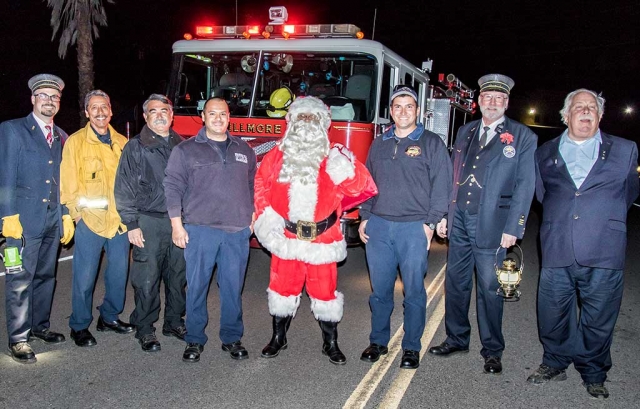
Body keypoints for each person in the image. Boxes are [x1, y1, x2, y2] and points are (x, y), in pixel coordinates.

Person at [527, 89, 638, 399]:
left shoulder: (625, 149)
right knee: (553, 312)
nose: (586, 111)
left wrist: (600, 218)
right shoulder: (544, 152)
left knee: (599, 316)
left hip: (604, 247)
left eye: (592, 107)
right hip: (557, 244)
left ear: (600, 116)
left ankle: (593, 371)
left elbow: (630, 192)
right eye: (579, 107)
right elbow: (542, 194)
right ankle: (554, 362)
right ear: (566, 116)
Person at [428, 74, 537, 375]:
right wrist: (445, 216)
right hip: (459, 217)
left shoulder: (522, 136)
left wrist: (514, 228)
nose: (493, 102)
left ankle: (492, 350)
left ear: (507, 103)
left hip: (493, 222)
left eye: (499, 99)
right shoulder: (465, 131)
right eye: (488, 97)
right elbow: (454, 175)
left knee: (490, 288)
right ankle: (456, 338)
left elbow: (526, 185)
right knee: (456, 282)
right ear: (478, 102)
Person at [254, 96, 372, 365]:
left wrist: (346, 169)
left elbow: (360, 187)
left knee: (325, 292)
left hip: (323, 239)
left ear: (323, 124)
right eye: (302, 117)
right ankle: (278, 338)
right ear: (292, 121)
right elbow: (259, 184)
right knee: (282, 289)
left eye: (313, 118)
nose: (306, 123)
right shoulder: (278, 155)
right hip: (287, 237)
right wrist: (266, 216)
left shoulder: (335, 154)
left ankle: (330, 342)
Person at [358, 86, 452, 370]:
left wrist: (430, 224)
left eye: (408, 106)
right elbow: (367, 182)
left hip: (413, 228)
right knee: (380, 291)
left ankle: (411, 346)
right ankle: (378, 341)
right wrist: (365, 215)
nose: (402, 111)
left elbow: (442, 185)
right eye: (397, 106)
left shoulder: (432, 143)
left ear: (418, 111)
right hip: (380, 226)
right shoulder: (380, 143)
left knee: (413, 292)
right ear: (390, 111)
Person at [164, 97, 256, 363]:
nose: (218, 118)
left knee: (232, 288)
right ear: (202, 117)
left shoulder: (244, 149)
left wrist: (251, 217)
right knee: (196, 287)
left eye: (223, 114)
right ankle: (194, 339)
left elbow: (251, 184)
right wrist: (176, 225)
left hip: (236, 231)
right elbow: (172, 188)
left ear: (229, 117)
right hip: (199, 229)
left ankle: (231, 337)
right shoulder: (185, 150)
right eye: (212, 114)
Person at [0, 74, 74, 363]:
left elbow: (63, 182)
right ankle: (18, 338)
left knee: (46, 276)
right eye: (43, 96)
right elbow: (5, 177)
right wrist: (7, 217)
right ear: (33, 99)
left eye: (54, 97)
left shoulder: (62, 136)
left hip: (52, 220)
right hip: (22, 221)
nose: (49, 101)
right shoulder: (13, 129)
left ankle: (40, 326)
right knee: (19, 279)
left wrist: (65, 215)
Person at [60, 90, 134, 347]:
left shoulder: (123, 143)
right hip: (89, 222)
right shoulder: (76, 142)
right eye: (94, 107)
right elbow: (68, 184)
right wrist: (76, 217)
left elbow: (130, 183)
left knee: (118, 274)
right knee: (84, 278)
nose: (100, 112)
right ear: (87, 112)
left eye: (104, 107)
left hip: (119, 223)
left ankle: (109, 317)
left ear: (111, 111)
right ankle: (79, 325)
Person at [114, 94, 187, 352]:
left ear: (172, 115)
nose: (159, 115)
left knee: (178, 275)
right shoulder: (135, 147)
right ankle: (145, 328)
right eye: (153, 111)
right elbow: (123, 187)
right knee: (147, 277)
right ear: (145, 117)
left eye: (164, 110)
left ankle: (174, 321)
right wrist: (131, 223)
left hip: (179, 222)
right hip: (148, 221)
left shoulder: (182, 145)